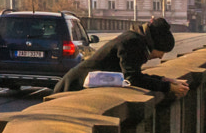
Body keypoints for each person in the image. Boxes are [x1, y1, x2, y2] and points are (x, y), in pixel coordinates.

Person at [53, 16, 190, 97]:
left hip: (78, 85)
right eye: (162, 52)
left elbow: (133, 74)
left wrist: (166, 80)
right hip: (73, 87)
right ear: (155, 44)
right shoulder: (133, 43)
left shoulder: (136, 40)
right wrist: (168, 88)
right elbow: (133, 79)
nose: (161, 57)